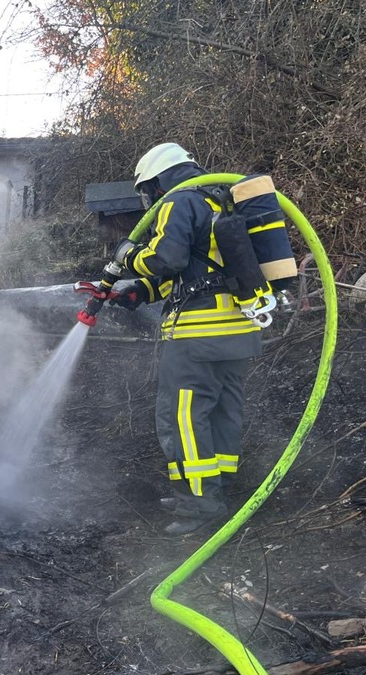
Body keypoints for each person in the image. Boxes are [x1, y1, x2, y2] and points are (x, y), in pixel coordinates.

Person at [108, 142, 261, 535]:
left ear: (158, 182)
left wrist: (127, 254)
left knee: (184, 418)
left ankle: (198, 504)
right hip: (237, 329)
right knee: (224, 410)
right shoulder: (219, 201)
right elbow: (195, 273)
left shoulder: (178, 203)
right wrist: (140, 292)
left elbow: (165, 260)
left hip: (198, 336)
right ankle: (217, 487)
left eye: (148, 190)